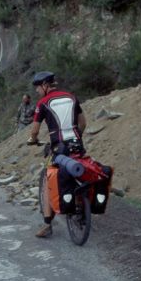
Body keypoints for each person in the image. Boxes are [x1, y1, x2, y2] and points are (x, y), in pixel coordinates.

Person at [26, 71, 87, 238]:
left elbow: (35, 129)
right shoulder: (72, 97)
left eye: (38, 88)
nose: (37, 91)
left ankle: (47, 224)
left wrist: (32, 139)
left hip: (59, 148)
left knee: (47, 178)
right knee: (79, 168)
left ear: (45, 86)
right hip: (77, 145)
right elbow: (83, 123)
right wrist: (76, 137)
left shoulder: (43, 103)